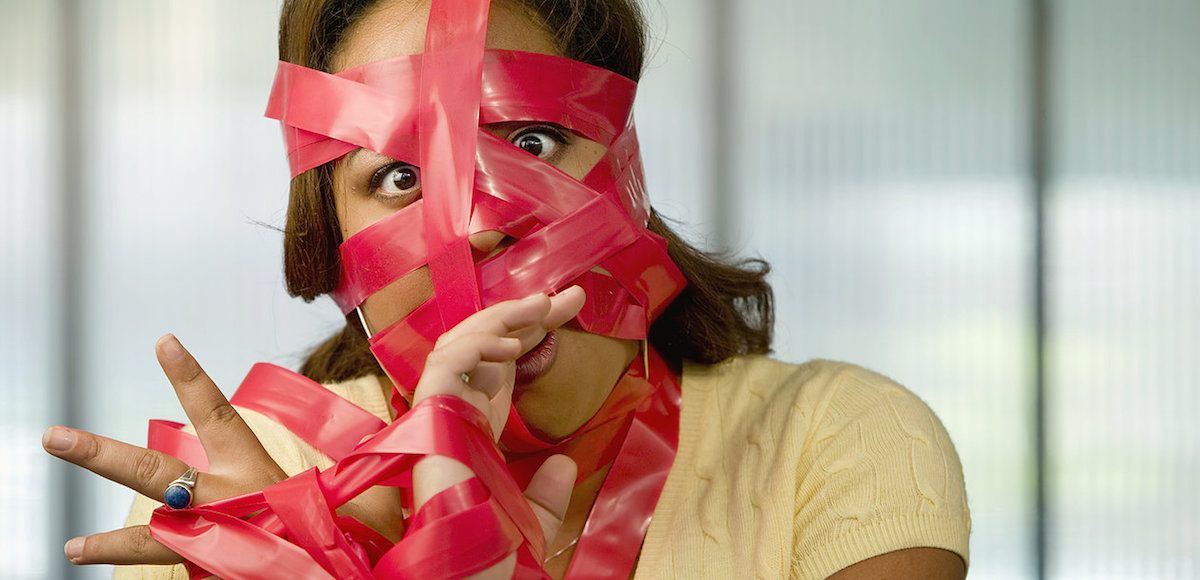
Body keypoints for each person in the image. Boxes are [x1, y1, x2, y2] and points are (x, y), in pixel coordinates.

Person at [41, 0, 970, 578]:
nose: (476, 225)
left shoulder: (834, 440)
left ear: (626, 170)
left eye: (530, 144)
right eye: (398, 180)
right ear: (329, 239)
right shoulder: (243, 494)